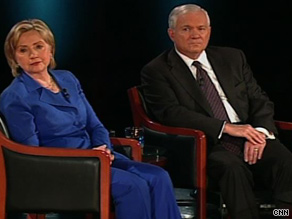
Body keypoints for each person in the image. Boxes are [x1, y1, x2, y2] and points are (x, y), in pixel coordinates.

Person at [0, 19, 182, 219]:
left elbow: (95, 125)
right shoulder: (15, 96)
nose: (33, 54)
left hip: (94, 156)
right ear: (14, 58)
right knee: (133, 185)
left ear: (50, 49)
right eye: (23, 50)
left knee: (159, 177)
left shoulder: (67, 78)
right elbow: (32, 154)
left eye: (38, 46)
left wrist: (104, 149)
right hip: (61, 167)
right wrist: (90, 159)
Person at [140, 4, 292, 219]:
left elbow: (258, 98)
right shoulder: (157, 70)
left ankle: (282, 215)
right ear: (171, 33)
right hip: (206, 142)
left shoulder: (232, 58)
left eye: (201, 28)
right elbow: (170, 113)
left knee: (284, 160)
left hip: (249, 134)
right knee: (231, 168)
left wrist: (260, 132)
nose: (195, 35)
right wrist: (225, 128)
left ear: (209, 31)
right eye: (186, 29)